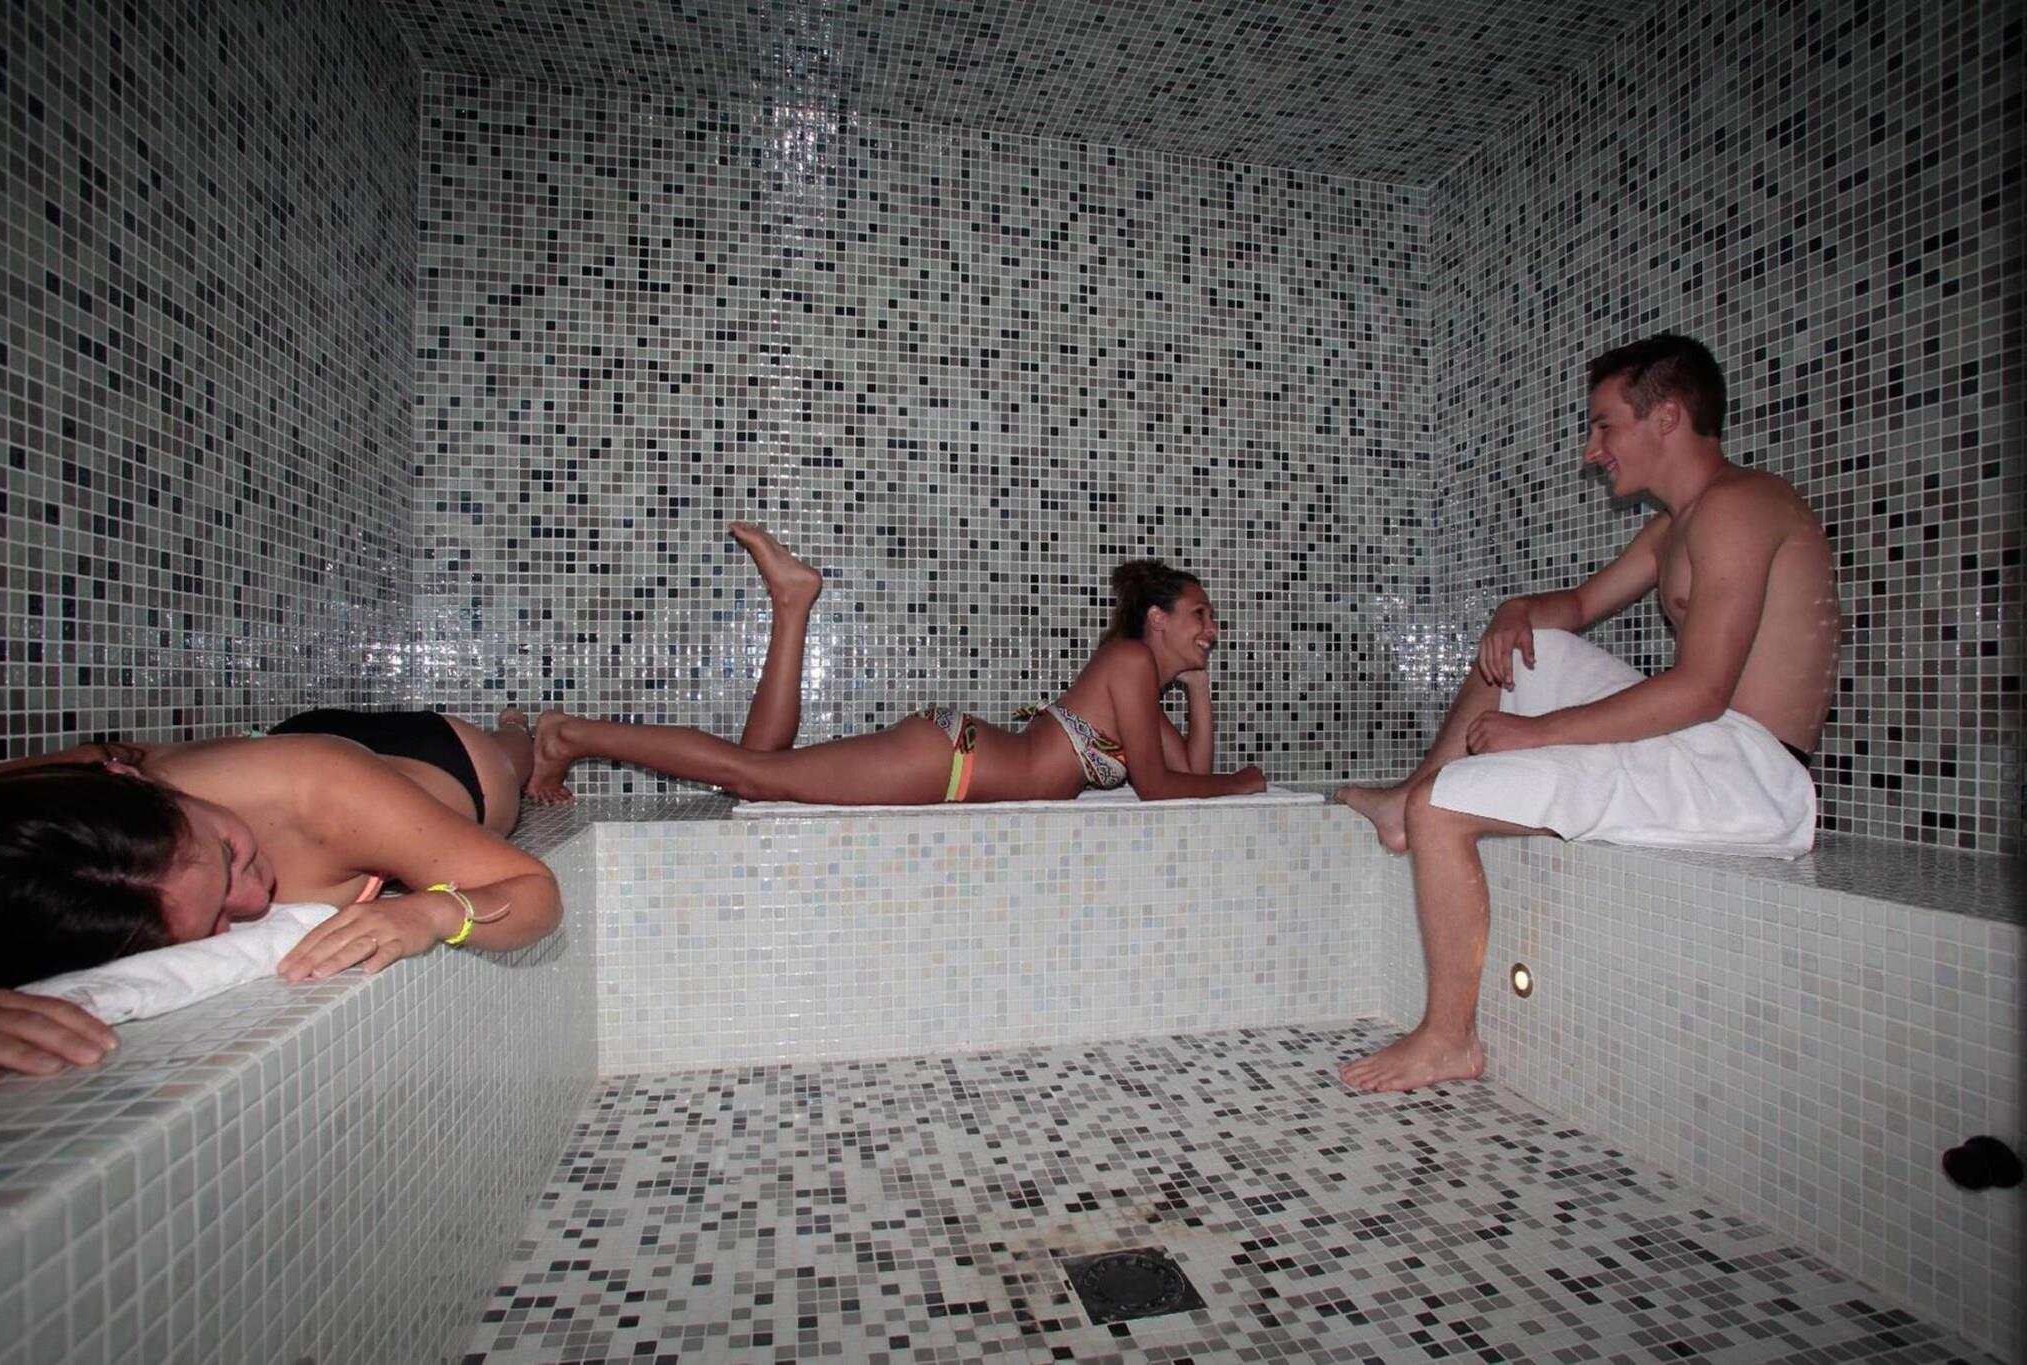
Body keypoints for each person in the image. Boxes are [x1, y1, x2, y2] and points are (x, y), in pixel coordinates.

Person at [1335, 334, 1839, 1093]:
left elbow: (1701, 689)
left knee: (1446, 809)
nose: (1591, 450)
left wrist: (1535, 734)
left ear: (1667, 417)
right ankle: (1406, 799)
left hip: (1748, 775)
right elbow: (1572, 609)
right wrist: (1514, 610)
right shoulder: (1678, 524)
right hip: (1705, 744)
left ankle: (1448, 1038)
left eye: (1605, 425)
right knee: (1530, 647)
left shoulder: (1739, 507)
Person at [0, 707, 563, 1083]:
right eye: (217, 918)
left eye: (228, 853)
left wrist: (435, 911)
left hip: (438, 762)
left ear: (139, 784)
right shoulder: (49, 795)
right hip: (289, 749)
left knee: (505, 764)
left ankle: (526, 730)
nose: (255, 899)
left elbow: (535, 893)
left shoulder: (321, 793)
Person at [528, 523, 1267, 807]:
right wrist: (1243, 780)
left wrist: (1199, 690)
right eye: (1200, 615)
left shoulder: (1141, 693)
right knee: (749, 776)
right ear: (1158, 620)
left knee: (755, 772)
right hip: (951, 762)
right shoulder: (1130, 661)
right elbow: (1163, 789)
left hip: (956, 759)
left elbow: (1185, 775)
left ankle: (792, 603)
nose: (1212, 628)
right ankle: (571, 735)